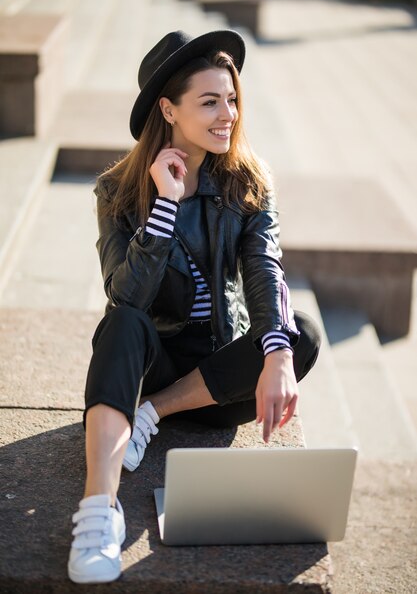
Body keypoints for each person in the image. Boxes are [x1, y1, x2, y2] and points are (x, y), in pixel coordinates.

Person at [67, 30, 321, 584]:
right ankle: (97, 513)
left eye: (231, 99)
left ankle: (154, 412)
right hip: (154, 356)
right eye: (209, 101)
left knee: (299, 330)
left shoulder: (248, 182)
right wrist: (163, 205)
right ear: (168, 108)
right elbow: (126, 296)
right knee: (123, 324)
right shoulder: (117, 191)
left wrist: (276, 355)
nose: (227, 113)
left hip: (220, 381)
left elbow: (264, 267)